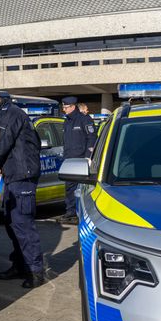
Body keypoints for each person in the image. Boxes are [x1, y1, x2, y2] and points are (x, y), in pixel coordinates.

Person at [0, 87, 45, 288]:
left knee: (23, 225)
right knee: (12, 222)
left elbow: (1, 145)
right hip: (16, 175)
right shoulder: (13, 113)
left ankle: (35, 272)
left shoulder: (8, 115)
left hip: (21, 176)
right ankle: (19, 265)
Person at [59, 96, 95, 225]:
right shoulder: (66, 121)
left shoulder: (84, 120)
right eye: (63, 107)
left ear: (73, 106)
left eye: (66, 107)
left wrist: (88, 157)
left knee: (82, 189)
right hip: (69, 159)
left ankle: (82, 213)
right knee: (69, 187)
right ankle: (71, 212)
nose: (64, 109)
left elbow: (92, 138)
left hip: (81, 160)